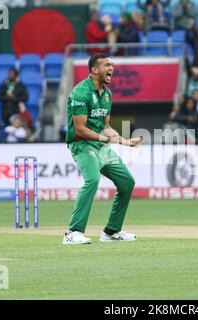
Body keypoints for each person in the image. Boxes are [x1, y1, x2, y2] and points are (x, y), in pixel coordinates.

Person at [62, 53, 142, 245]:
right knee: (93, 179)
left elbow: (106, 126)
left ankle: (111, 232)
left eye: (112, 65)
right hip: (81, 144)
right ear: (95, 69)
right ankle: (73, 233)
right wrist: (104, 138)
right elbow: (80, 129)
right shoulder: (80, 92)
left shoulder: (107, 95)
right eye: (107, 65)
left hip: (101, 146)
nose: (112, 68)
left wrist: (124, 141)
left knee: (127, 182)